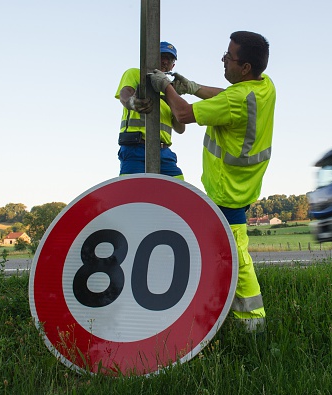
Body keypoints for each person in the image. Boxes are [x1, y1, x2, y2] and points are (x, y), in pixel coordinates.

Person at [148, 31, 275, 332]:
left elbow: (182, 113)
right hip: (243, 185)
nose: (223, 59)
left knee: (235, 255)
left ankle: (253, 322)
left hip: (226, 190)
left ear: (244, 68)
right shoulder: (264, 86)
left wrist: (165, 85)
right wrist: (191, 87)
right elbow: (224, 96)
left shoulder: (236, 101)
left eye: (228, 57)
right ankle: (210, 307)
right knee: (216, 250)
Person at [115, 41, 185, 179]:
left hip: (164, 152)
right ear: (151, 56)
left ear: (173, 65)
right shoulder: (135, 73)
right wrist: (133, 102)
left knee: (179, 194)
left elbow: (181, 128)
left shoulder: (169, 90)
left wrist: (174, 98)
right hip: (136, 148)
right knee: (134, 195)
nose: (165, 61)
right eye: (161, 56)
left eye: (169, 59)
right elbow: (125, 94)